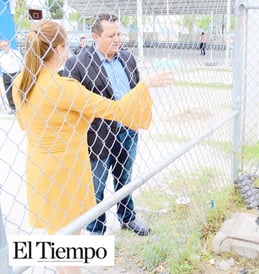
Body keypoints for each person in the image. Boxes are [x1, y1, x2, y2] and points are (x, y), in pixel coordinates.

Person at [12, 19, 172, 274]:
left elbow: (23, 124)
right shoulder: (63, 88)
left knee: (58, 239)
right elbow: (116, 109)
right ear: (59, 50)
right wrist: (146, 85)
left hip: (39, 169)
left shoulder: (22, 82)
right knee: (71, 242)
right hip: (67, 171)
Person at [62, 13, 153, 236]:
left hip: (128, 132)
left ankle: (127, 218)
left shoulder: (127, 58)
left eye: (118, 34)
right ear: (95, 36)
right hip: (97, 137)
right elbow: (72, 104)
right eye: (111, 35)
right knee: (96, 187)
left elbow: (137, 90)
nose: (117, 39)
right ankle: (97, 231)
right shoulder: (77, 63)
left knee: (125, 180)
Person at [0, 39, 23, 113]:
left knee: (18, 90)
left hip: (16, 73)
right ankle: (12, 107)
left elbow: (22, 63)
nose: (4, 48)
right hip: (6, 75)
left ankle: (21, 105)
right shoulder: (0, 55)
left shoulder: (15, 53)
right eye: (2, 47)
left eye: (5, 46)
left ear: (9, 45)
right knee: (8, 92)